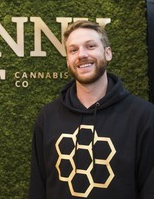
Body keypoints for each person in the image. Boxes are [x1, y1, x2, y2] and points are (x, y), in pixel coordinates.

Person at [28, 20, 154, 199]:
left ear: (108, 53)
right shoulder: (48, 117)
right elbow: (38, 187)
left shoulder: (144, 116)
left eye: (91, 46)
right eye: (73, 50)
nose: (82, 55)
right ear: (68, 60)